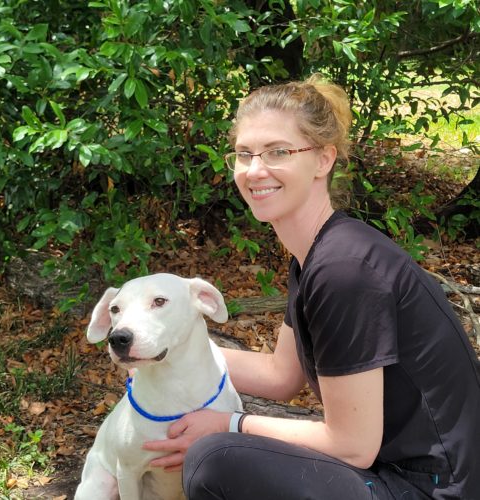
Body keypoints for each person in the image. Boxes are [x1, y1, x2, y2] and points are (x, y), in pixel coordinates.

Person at [143, 75, 480, 499]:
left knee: (214, 459)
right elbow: (281, 375)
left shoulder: (344, 270)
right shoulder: (317, 254)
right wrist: (159, 348)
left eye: (278, 152)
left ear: (323, 160)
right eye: (244, 154)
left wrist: (231, 424)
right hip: (393, 471)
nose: (255, 170)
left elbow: (352, 445)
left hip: (431, 489)